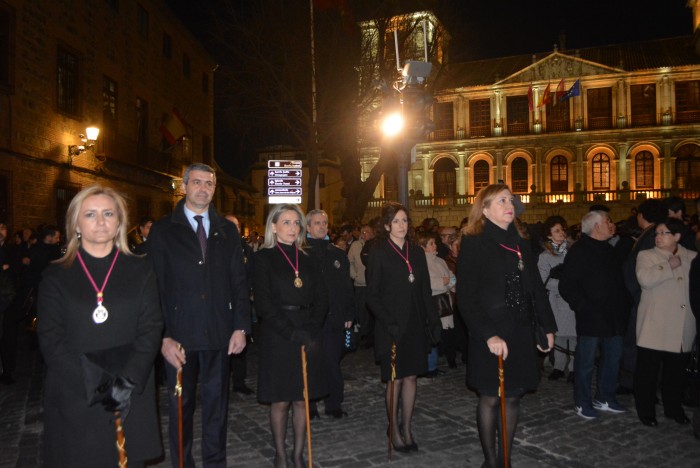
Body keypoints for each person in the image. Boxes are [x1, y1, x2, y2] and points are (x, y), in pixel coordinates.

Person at [36, 184, 163, 466]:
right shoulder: (56, 276)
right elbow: (51, 340)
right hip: (76, 392)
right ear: (76, 224)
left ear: (119, 222)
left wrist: (126, 383)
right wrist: (100, 386)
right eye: (90, 214)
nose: (101, 221)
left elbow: (151, 327)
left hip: (130, 390)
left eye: (108, 213)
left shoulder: (141, 269)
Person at [149, 163, 251, 467]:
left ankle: (215, 462)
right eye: (196, 182)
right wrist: (162, 335)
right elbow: (155, 285)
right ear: (184, 186)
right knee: (181, 406)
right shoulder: (164, 229)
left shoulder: (227, 229)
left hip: (219, 333)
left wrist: (241, 327)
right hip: (179, 336)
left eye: (209, 183)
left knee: (217, 407)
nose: (203, 188)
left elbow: (238, 281)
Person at [457, 183, 555, 468]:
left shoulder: (521, 241)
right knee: (490, 397)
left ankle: (505, 460)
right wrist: (488, 334)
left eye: (511, 200)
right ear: (485, 210)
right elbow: (466, 296)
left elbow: (536, 288)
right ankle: (490, 461)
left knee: (513, 396)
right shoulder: (474, 241)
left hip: (521, 330)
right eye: (501, 201)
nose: (509, 205)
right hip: (490, 332)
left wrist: (546, 326)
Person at [253, 204, 328, 468]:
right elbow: (263, 304)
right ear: (273, 226)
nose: (292, 228)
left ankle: (297, 453)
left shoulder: (308, 259)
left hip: (306, 332)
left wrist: (311, 329)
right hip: (278, 335)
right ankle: (281, 454)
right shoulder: (263, 259)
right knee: (281, 399)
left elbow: (321, 299)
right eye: (286, 222)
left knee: (302, 398)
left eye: (296, 223)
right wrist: (290, 331)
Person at [366, 202, 441, 453]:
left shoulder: (416, 252)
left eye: (405, 221)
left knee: (411, 377)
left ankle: (407, 426)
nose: (401, 225)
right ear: (387, 225)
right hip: (391, 326)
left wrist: (434, 320)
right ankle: (394, 429)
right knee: (395, 379)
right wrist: (389, 322)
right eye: (396, 221)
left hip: (415, 325)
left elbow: (425, 290)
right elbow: (372, 296)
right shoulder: (378, 252)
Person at [559, 210, 631, 420]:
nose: (612, 225)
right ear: (597, 226)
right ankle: (582, 402)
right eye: (608, 221)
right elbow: (567, 285)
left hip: (614, 316)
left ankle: (605, 397)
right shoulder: (579, 251)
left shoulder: (609, 249)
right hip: (592, 317)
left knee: (612, 359)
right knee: (586, 363)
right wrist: (583, 306)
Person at [634, 218, 697, 426]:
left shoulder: (692, 257)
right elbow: (645, 279)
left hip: (681, 328)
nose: (658, 237)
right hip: (655, 326)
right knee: (648, 375)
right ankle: (646, 412)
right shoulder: (647, 255)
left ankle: (673, 408)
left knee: (675, 375)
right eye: (657, 233)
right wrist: (666, 266)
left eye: (663, 233)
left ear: (677, 237)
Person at [305, 209, 354, 418]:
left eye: (324, 222)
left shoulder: (337, 254)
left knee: (332, 362)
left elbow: (346, 287)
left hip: (334, 319)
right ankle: (310, 405)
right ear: (307, 227)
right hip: (311, 320)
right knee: (311, 364)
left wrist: (350, 314)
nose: (322, 226)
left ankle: (334, 403)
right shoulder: (301, 253)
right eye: (317, 223)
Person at [537, 216, 576, 382]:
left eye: (562, 230)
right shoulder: (545, 256)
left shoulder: (574, 251)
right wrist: (563, 285)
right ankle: (559, 367)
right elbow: (543, 279)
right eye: (556, 231)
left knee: (574, 335)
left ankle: (574, 367)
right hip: (556, 299)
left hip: (573, 299)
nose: (561, 234)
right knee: (559, 334)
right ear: (549, 235)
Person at [225, 214, 255, 396]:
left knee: (240, 343)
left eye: (236, 225)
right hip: (221, 305)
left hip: (240, 302)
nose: (233, 229)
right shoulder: (215, 247)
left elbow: (250, 272)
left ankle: (239, 381)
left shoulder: (245, 249)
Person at [418, 231, 457, 368]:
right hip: (433, 303)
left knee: (448, 332)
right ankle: (431, 365)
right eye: (431, 244)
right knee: (433, 332)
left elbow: (451, 278)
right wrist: (443, 282)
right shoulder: (421, 263)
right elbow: (426, 284)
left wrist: (448, 282)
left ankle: (451, 360)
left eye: (435, 243)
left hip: (445, 301)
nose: (435, 246)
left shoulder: (440, 261)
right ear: (423, 247)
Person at [348, 223, 374, 348]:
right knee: (362, 311)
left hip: (373, 284)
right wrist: (355, 275)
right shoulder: (355, 246)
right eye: (363, 232)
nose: (365, 234)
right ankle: (363, 335)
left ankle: (372, 336)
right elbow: (350, 262)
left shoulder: (376, 245)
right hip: (360, 283)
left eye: (367, 232)